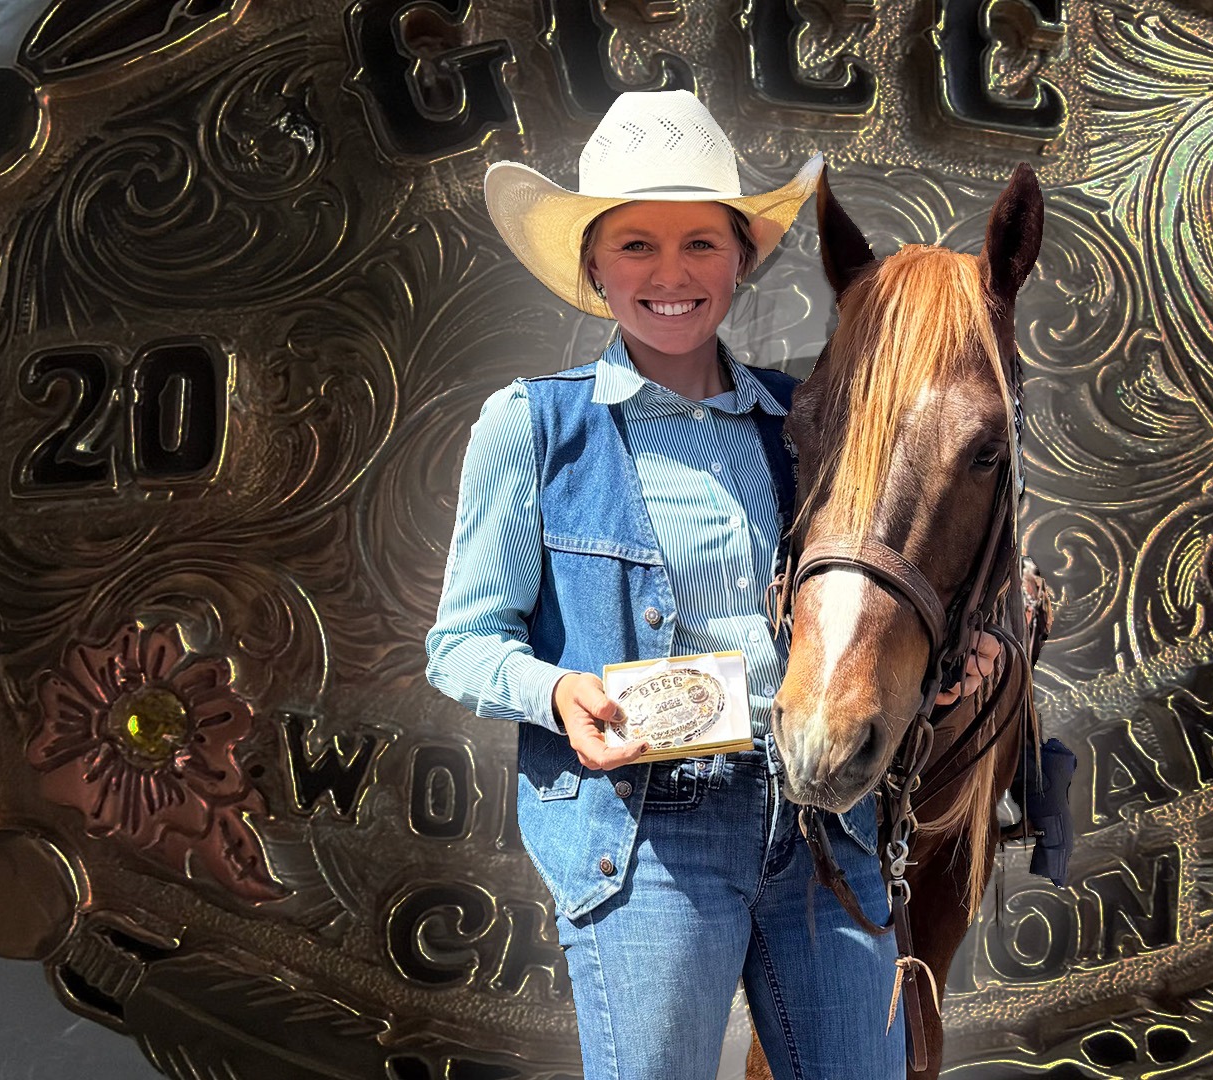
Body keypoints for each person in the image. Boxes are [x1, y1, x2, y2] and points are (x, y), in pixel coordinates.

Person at [424, 89, 991, 1080]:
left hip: (819, 817)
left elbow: (873, 583)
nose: (671, 273)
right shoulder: (534, 430)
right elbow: (461, 642)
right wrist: (557, 691)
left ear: (740, 260)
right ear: (595, 266)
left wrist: (947, 655)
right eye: (636, 245)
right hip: (652, 834)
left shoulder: (809, 420)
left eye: (700, 243)